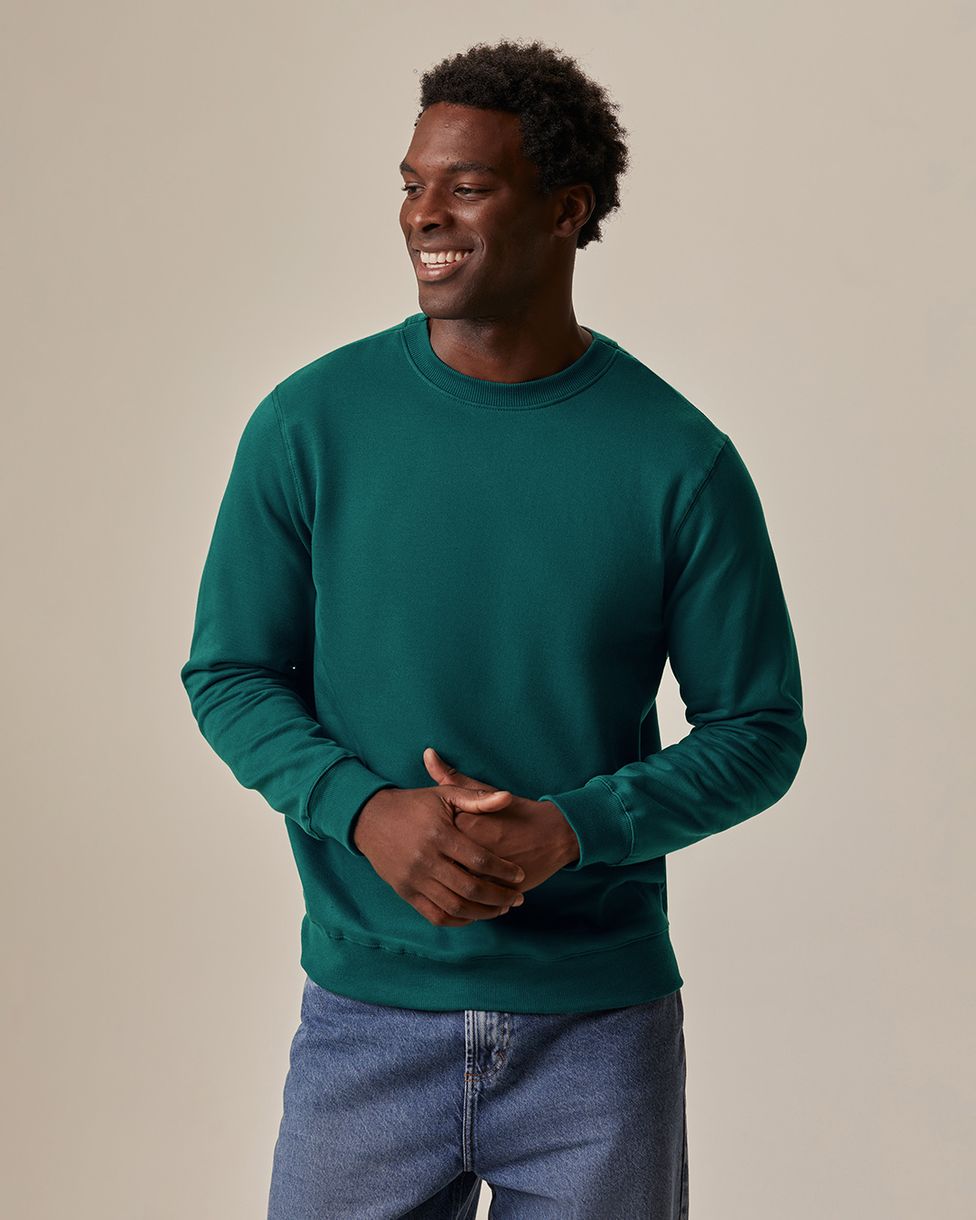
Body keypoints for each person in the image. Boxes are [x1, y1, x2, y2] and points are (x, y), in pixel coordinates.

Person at [180, 37, 806, 1220]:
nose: (423, 212)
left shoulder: (678, 459)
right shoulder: (309, 424)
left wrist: (572, 829)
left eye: (465, 185)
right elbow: (233, 671)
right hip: (364, 1020)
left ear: (565, 209)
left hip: (597, 1037)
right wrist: (364, 809)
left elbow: (759, 728)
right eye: (412, 183)